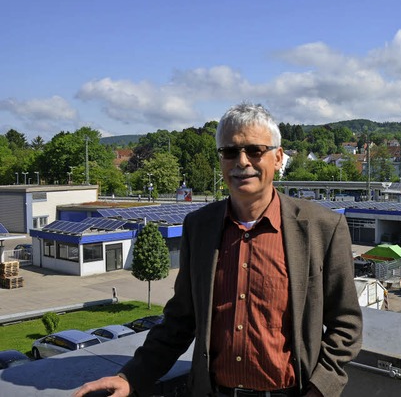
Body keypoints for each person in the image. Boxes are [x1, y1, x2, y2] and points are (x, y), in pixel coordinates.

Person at [74, 103, 363, 397]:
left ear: (278, 157)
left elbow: (346, 325)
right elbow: (180, 320)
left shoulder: (323, 228)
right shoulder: (199, 227)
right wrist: (131, 377)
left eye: (255, 150)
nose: (242, 161)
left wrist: (320, 389)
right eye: (230, 151)